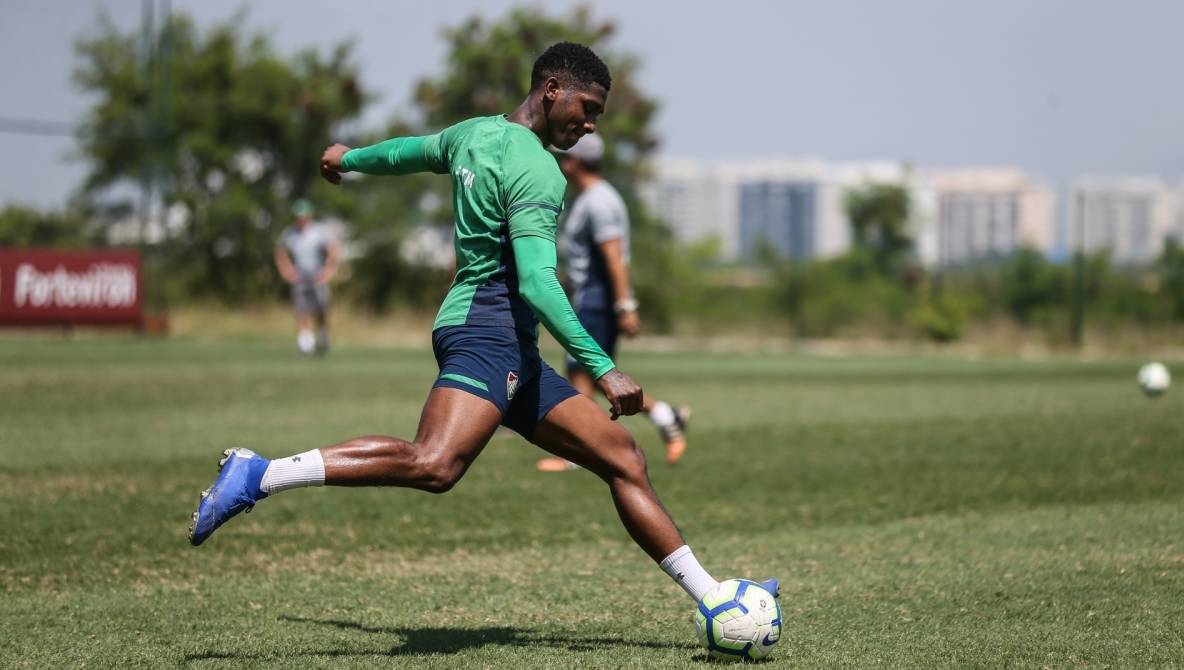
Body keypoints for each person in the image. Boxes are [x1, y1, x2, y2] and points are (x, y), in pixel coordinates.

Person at [188, 42, 776, 610]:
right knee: (435, 464)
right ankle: (261, 473)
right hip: (487, 329)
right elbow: (539, 284)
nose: (592, 125)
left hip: (502, 336)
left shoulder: (472, 133)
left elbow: (406, 153)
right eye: (588, 108)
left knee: (623, 458)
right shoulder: (540, 171)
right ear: (552, 90)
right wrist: (604, 367)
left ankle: (715, 597)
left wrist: (348, 158)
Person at [536, 133, 690, 473]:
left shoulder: (598, 202)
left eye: (564, 159)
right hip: (592, 297)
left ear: (574, 163)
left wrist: (624, 305)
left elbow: (613, 256)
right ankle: (666, 416)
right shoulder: (594, 197)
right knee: (591, 377)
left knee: (581, 373)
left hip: (596, 298)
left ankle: (578, 454)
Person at [274, 199, 340, 355]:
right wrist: (287, 271)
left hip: (317, 275)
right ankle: (306, 345)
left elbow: (333, 251)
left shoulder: (319, 231)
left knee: (321, 310)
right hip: (300, 276)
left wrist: (328, 271)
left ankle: (323, 338)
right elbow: (280, 252)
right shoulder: (290, 233)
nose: (300, 219)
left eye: (303, 215)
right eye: (298, 216)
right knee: (301, 310)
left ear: (309, 215)